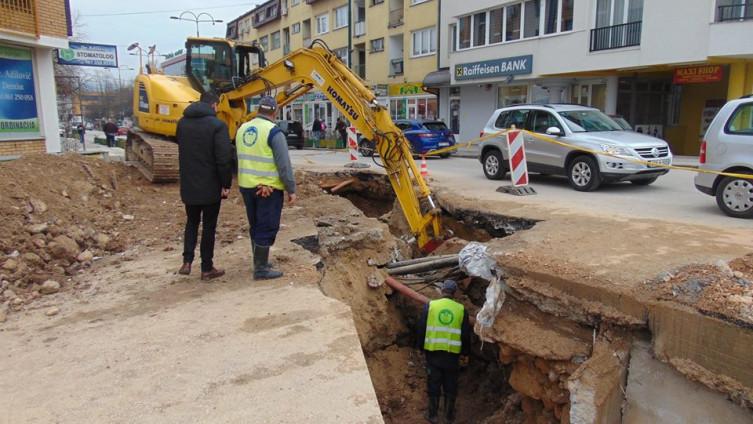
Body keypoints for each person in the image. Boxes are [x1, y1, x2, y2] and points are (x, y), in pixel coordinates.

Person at [235, 95, 296, 280]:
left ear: (258, 110)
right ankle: (260, 269)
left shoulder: (242, 129)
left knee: (255, 225)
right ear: (275, 112)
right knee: (267, 226)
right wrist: (291, 188)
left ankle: (259, 262)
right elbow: (283, 164)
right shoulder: (273, 132)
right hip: (267, 189)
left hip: (247, 185)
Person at [176, 92, 233, 280]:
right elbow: (223, 159)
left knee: (191, 222)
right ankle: (206, 268)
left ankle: (187, 261)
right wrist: (226, 183)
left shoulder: (182, 123)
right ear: (214, 105)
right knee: (209, 226)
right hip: (210, 186)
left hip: (189, 184)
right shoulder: (217, 126)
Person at [416, 280, 471, 424]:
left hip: (433, 353)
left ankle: (433, 416)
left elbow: (422, 328)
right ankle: (448, 417)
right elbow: (465, 334)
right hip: (452, 355)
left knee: (433, 383)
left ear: (442, 291)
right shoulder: (461, 309)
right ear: (454, 293)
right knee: (450, 384)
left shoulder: (431, 306)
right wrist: (465, 353)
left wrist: (420, 346)